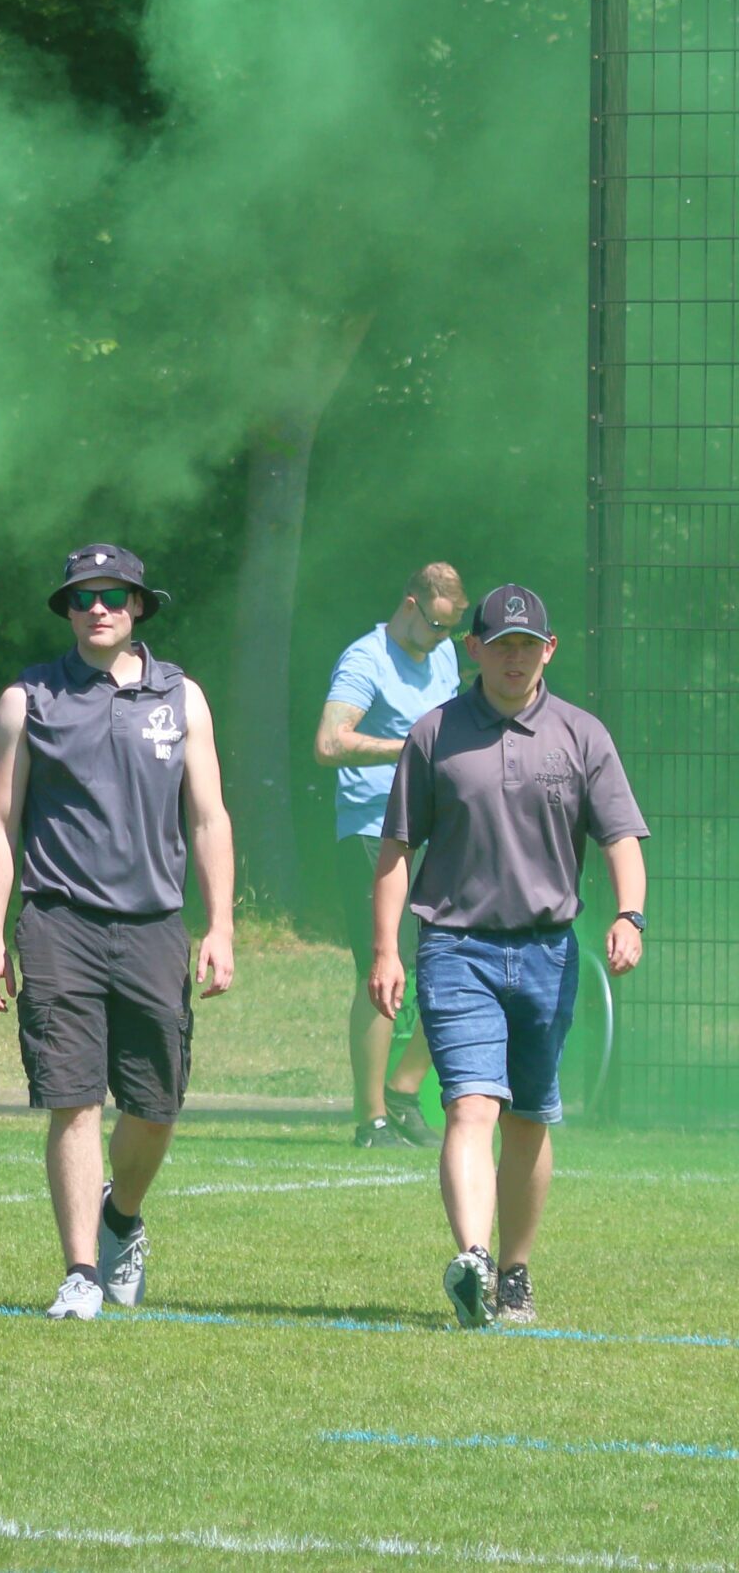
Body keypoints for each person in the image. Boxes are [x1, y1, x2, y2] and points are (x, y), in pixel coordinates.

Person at [370, 583, 646, 1328]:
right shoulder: (434, 734)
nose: (514, 658)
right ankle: (475, 1259)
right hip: (455, 946)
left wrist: (630, 915)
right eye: (501, 645)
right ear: (475, 650)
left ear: (548, 650)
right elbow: (396, 851)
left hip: (549, 952)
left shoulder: (583, 735)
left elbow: (621, 837)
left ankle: (515, 1273)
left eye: (527, 645)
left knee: (528, 1116)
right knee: (469, 1103)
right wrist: (386, 950)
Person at [0, 544, 235, 1321]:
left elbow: (209, 817)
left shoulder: (182, 696)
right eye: (83, 596)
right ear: (66, 609)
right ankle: (82, 1271)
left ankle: (121, 1217)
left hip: (155, 924)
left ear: (138, 606)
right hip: (58, 921)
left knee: (156, 1105)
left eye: (114, 595)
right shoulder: (28, 698)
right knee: (74, 1098)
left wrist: (220, 925)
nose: (98, 608)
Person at [316, 564, 465, 1147]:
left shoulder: (443, 653)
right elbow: (329, 743)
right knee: (381, 971)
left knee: (457, 964)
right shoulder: (365, 659)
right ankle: (371, 1118)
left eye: (450, 628)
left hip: (436, 830)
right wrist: (410, 749)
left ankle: (404, 1092)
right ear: (409, 606)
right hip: (373, 833)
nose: (441, 638)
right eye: (435, 625)